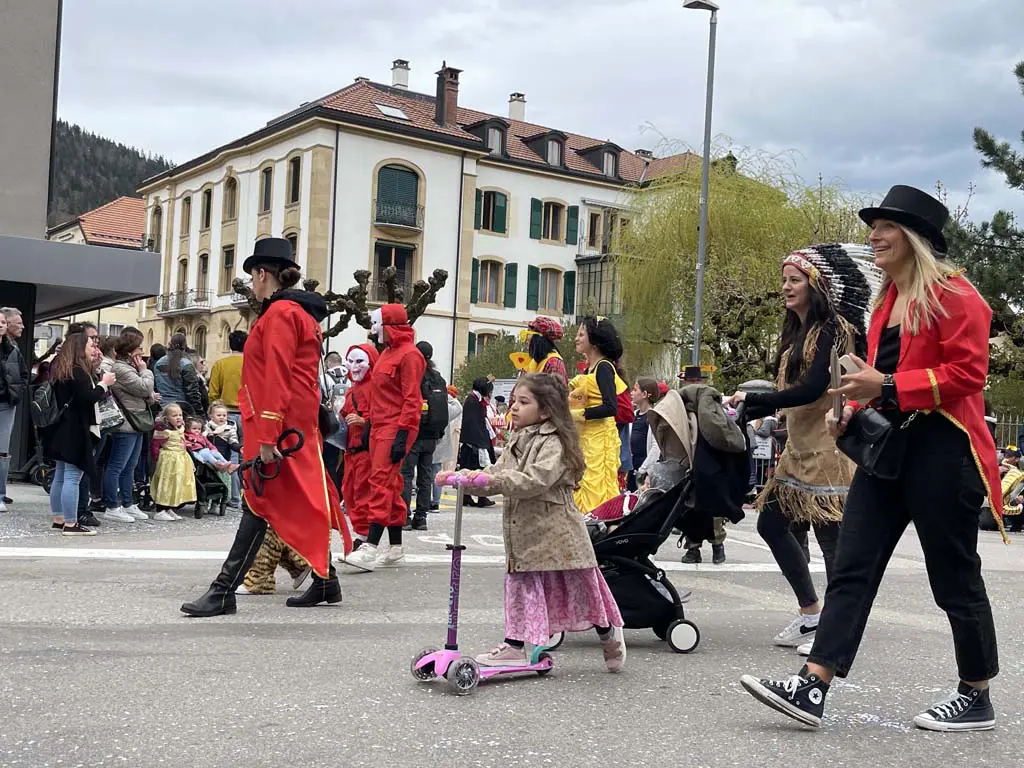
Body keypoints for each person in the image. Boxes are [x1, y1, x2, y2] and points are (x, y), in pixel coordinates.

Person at [740, 185, 1003, 732]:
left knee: (953, 576)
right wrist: (854, 408)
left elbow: (968, 375)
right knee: (853, 567)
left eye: (885, 227)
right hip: (888, 449)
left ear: (915, 237)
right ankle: (813, 684)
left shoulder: (958, 295)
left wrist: (883, 385)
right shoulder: (886, 302)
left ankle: (976, 694)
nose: (873, 236)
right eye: (874, 227)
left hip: (945, 448)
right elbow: (880, 380)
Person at [181, 238, 348, 616]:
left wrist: (269, 435)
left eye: (252, 276)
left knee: (257, 502)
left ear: (261, 274)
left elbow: (276, 377)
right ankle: (325, 581)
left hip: (279, 428)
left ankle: (223, 590)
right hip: (295, 425)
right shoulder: (297, 314)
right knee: (293, 501)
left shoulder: (279, 315)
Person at [725, 244, 872, 640]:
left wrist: (754, 399)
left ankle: (837, 632)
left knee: (831, 541)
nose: (786, 287)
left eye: (795, 280)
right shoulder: (795, 334)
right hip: (798, 448)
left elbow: (812, 389)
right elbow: (791, 394)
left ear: (815, 285)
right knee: (772, 524)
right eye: (784, 280)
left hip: (829, 448)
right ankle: (811, 613)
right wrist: (749, 407)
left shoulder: (834, 330)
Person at [441, 373, 626, 671]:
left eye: (523, 402)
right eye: (514, 400)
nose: (514, 407)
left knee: (580, 589)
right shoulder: (518, 437)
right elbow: (497, 473)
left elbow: (536, 479)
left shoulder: (555, 443)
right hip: (525, 532)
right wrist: (465, 478)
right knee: (521, 587)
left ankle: (608, 634)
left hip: (559, 533)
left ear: (545, 410)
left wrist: (493, 480)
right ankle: (514, 646)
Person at [342, 304, 425, 572]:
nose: (373, 329)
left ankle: (370, 546)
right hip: (380, 426)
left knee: (380, 481)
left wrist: (403, 433)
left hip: (394, 426)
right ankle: (396, 547)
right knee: (391, 483)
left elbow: (412, 398)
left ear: (389, 325)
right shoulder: (388, 352)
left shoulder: (409, 355)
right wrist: (370, 424)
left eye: (377, 323)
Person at [41, 333, 116, 535]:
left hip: (61, 428)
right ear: (80, 348)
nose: (94, 349)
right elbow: (86, 398)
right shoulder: (78, 371)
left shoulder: (63, 369)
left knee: (60, 476)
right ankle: (71, 523)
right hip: (76, 429)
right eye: (91, 345)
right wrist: (103, 384)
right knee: (72, 477)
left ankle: (59, 518)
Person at [569, 316, 628, 514]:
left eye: (581, 334)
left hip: (600, 438)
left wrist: (578, 414)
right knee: (584, 481)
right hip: (588, 436)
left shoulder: (604, 367)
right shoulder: (591, 369)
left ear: (593, 342)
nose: (576, 339)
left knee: (596, 483)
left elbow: (611, 407)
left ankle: (600, 520)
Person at [104, 330, 157, 523]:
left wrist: (148, 389)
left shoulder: (129, 367)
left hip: (136, 421)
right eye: (139, 347)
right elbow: (144, 388)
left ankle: (128, 503)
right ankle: (112, 505)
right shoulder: (121, 369)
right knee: (117, 466)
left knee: (130, 466)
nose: (142, 351)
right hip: (126, 423)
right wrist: (145, 370)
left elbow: (148, 394)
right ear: (130, 350)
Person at [401, 341, 447, 532]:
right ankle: (421, 517)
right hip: (432, 435)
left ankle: (404, 516)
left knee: (406, 475)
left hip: (414, 432)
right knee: (425, 476)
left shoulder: (415, 376)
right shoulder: (438, 378)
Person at [340, 343, 378, 547]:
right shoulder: (351, 390)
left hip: (365, 450)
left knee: (363, 493)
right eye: (350, 361)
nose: (354, 366)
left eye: (359, 361)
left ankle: (364, 537)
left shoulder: (374, 388)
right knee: (350, 493)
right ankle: (362, 534)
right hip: (351, 450)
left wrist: (364, 421)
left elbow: (383, 415)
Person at [208, 329, 247, 508]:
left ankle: (232, 496)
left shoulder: (220, 364)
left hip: (225, 414)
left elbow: (213, 392)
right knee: (246, 454)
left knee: (228, 457)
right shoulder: (253, 364)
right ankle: (246, 496)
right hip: (247, 414)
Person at [0, 307, 28, 509]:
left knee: (2, 451)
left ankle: (0, 495)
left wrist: (16, 392)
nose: (1, 326)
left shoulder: (12, 349)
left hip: (5, 404)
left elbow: (23, 374)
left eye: (2, 322)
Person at [150, 403, 196, 520]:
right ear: (167, 418)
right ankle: (160, 509)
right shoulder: (163, 430)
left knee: (175, 484)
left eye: (180, 415)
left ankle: (168, 508)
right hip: (168, 460)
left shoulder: (180, 427)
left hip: (180, 459)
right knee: (166, 483)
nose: (178, 418)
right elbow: (155, 445)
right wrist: (156, 458)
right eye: (174, 415)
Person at [458, 377, 497, 508]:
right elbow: (474, 424)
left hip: (473, 441)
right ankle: (478, 496)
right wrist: (482, 441)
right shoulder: (473, 401)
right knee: (478, 469)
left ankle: (469, 496)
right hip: (474, 443)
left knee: (472, 469)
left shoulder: (475, 400)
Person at [154, 333, 208, 417]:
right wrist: (200, 414)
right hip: (182, 410)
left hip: (163, 407)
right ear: (185, 346)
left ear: (170, 344)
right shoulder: (186, 364)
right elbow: (192, 393)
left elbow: (156, 386)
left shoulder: (158, 363)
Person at [429, 386, 463, 511]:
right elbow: (458, 407)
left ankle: (424, 501)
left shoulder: (428, 403)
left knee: (424, 474)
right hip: (440, 444)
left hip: (426, 441)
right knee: (437, 473)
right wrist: (448, 396)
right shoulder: (446, 407)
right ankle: (435, 502)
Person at [517, 316, 568, 382]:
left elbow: (558, 388)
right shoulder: (531, 363)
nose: (526, 340)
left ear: (538, 338)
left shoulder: (554, 364)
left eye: (528, 332)